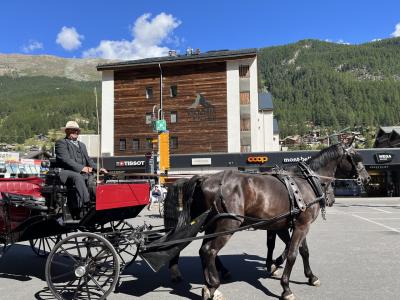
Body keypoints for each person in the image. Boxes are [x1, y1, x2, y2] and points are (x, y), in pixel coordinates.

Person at [55, 121, 107, 218]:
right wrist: (82, 168)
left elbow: (89, 160)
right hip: (65, 172)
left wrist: (98, 169)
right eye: (72, 130)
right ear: (67, 131)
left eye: (77, 130)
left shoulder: (82, 145)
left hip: (82, 173)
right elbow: (66, 160)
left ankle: (101, 203)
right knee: (78, 176)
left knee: (95, 179)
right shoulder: (61, 143)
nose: (75, 132)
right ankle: (87, 204)